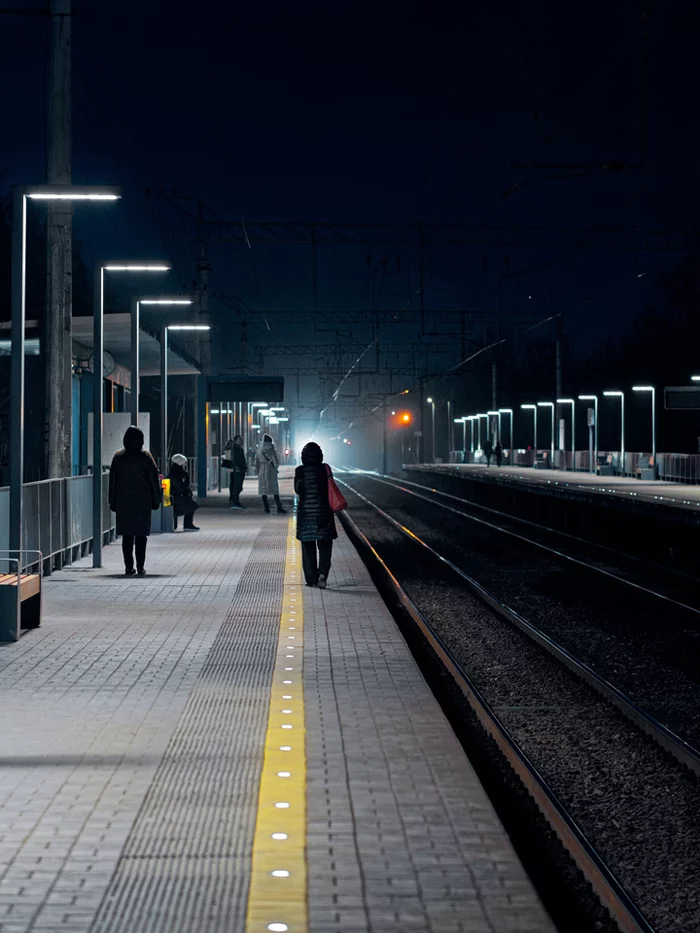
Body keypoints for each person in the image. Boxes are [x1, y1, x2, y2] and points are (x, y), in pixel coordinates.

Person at [109, 425, 161, 576]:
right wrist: (155, 499)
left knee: (127, 536)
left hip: (123, 501)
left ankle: (128, 567)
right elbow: (153, 480)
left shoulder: (118, 457)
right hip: (142, 501)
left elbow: (113, 481)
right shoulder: (145, 456)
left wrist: (112, 500)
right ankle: (140, 567)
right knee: (141, 536)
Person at [294, 441, 337, 588]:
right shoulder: (325, 469)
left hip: (306, 514)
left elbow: (298, 490)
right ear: (320, 456)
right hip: (324, 513)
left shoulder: (300, 471)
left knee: (308, 547)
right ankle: (323, 574)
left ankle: (311, 579)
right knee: (325, 547)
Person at [255, 433, 286, 513]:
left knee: (263, 489)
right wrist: (275, 467)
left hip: (262, 470)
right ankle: (279, 507)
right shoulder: (272, 450)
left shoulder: (259, 450)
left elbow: (256, 462)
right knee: (274, 489)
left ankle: (266, 507)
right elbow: (276, 462)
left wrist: (257, 471)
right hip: (271, 471)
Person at [168, 454, 200, 531]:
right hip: (175, 497)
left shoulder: (175, 472)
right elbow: (180, 487)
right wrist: (186, 492)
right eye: (184, 462)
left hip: (176, 496)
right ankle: (188, 524)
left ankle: (188, 524)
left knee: (192, 504)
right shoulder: (176, 474)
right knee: (192, 505)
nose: (185, 464)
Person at [223, 435, 247, 509]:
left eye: (241, 439)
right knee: (237, 486)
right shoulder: (237, 449)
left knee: (234, 485)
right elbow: (238, 460)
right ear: (235, 441)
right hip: (238, 470)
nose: (241, 441)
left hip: (235, 470)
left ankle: (234, 500)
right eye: (239, 440)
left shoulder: (236, 448)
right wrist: (239, 467)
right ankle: (235, 502)